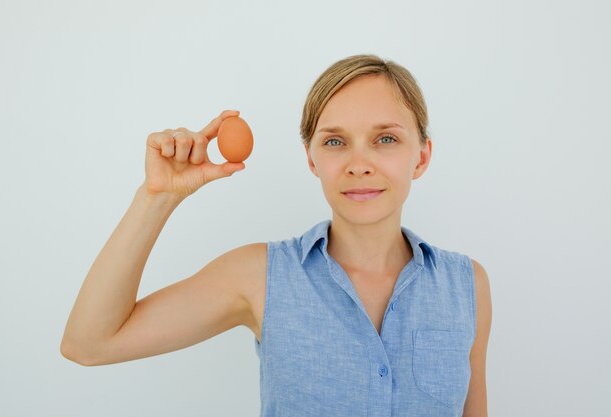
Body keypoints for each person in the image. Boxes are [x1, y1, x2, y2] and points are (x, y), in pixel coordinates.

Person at [61, 54, 492, 417]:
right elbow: (89, 343)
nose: (359, 163)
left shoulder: (467, 285)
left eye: (385, 138)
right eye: (335, 142)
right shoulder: (259, 277)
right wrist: (157, 197)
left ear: (421, 157)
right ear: (311, 158)